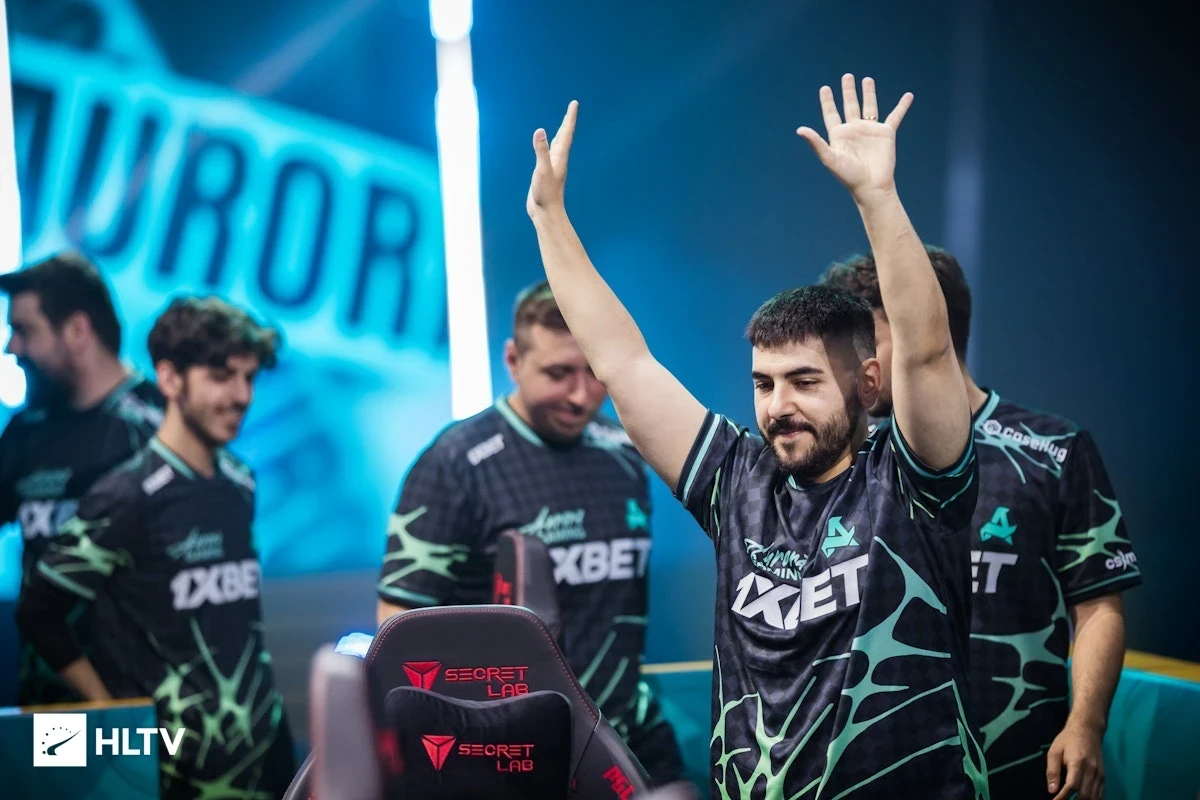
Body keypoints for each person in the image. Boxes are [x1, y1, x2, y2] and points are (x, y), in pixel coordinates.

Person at [525, 75, 990, 798]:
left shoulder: (914, 483)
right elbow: (622, 362)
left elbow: (927, 352)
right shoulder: (737, 481)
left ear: (868, 384)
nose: (779, 406)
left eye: (804, 382)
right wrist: (549, 219)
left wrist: (877, 198)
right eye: (764, 384)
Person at [823, 246, 1138, 800]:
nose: (854, 365)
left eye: (867, 343)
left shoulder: (1053, 451)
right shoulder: (849, 462)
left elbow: (1098, 607)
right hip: (885, 774)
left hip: (1022, 767)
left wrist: (1086, 724)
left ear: (929, 328)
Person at [375, 280, 686, 785]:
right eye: (558, 374)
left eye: (594, 372)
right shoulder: (454, 464)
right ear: (513, 361)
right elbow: (399, 627)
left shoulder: (625, 453)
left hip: (627, 729)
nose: (581, 395)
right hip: (511, 751)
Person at [16, 296, 295, 799]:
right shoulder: (125, 496)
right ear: (169, 379)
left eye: (249, 378)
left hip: (261, 748)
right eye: (221, 376)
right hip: (171, 766)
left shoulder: (240, 481)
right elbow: (39, 609)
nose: (241, 395)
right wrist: (108, 712)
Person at [0, 251, 163, 705]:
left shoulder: (158, 429)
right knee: (56, 758)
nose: (11, 348)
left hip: (147, 704)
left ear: (77, 331)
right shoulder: (24, 434)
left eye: (24, 330)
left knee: (130, 759)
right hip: (51, 706)